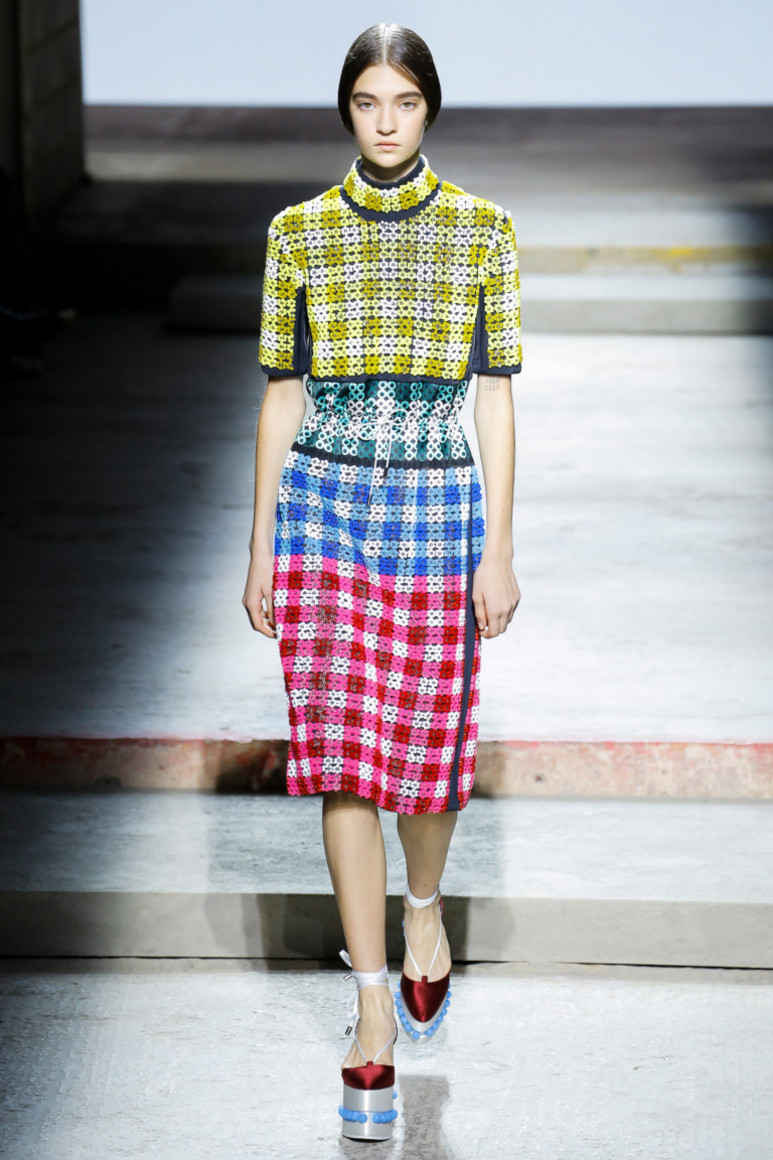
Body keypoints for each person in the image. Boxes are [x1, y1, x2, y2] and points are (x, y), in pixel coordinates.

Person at [243, 22, 521, 1141]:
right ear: (346, 110)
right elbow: (279, 393)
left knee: (428, 758)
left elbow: (495, 394)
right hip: (322, 510)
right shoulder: (297, 234)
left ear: (429, 107)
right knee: (342, 761)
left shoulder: (483, 232)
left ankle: (422, 911)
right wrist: (258, 545)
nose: (387, 120)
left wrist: (499, 546)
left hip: (437, 509)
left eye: (404, 100)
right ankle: (369, 1011)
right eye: (368, 101)